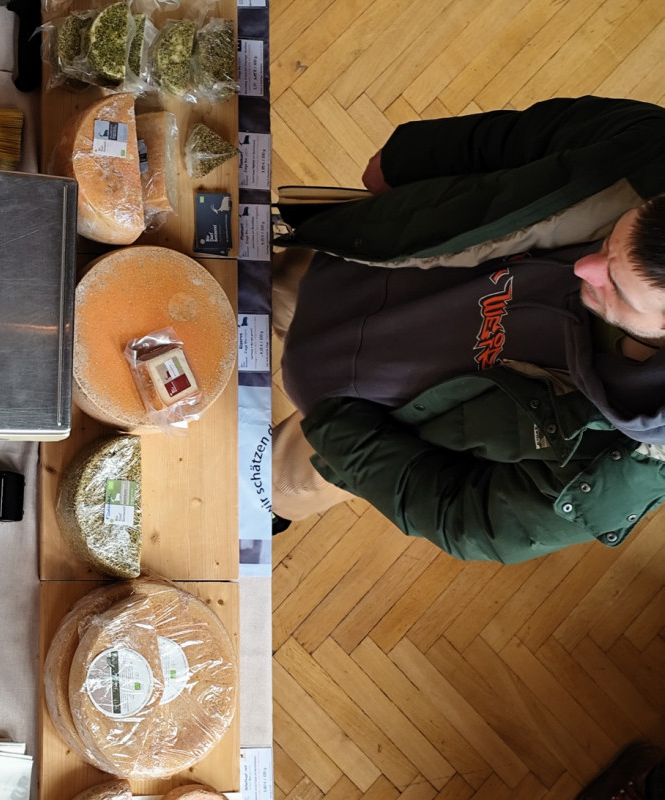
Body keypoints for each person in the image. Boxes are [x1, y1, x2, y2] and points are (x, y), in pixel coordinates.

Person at [272, 95, 665, 563]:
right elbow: (524, 135)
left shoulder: (628, 460)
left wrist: (343, 440)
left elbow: (470, 520)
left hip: (358, 427)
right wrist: (409, 157)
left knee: (277, 481)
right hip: (361, 261)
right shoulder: (652, 154)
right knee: (237, 292)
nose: (583, 268)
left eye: (615, 286)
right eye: (611, 240)